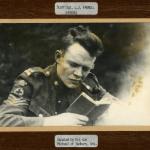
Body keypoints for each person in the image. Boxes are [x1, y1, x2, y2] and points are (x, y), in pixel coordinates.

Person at [0, 25, 116, 126]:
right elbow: (4, 121)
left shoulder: (89, 84)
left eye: (86, 68)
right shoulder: (32, 82)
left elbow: (118, 105)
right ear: (58, 57)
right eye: (73, 64)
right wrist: (50, 122)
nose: (79, 74)